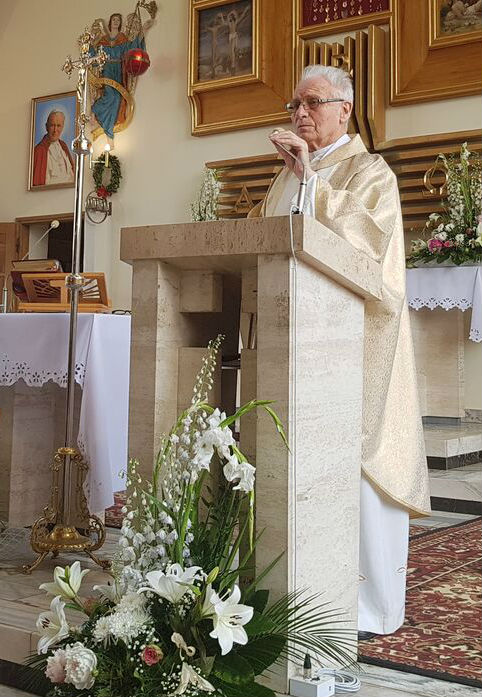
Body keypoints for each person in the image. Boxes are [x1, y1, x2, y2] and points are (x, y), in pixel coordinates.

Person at [250, 64, 431, 636]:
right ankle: (297, 590)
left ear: (344, 109)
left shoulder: (370, 172)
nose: (300, 113)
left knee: (353, 466)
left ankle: (364, 605)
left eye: (313, 102)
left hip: (351, 345)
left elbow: (371, 248)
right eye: (294, 104)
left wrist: (311, 181)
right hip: (290, 344)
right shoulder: (284, 177)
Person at [91, 13, 146, 140]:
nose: (116, 22)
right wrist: (88, 45)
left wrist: (143, 31)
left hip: (119, 70)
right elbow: (94, 56)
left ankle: (108, 126)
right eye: (114, 20)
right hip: (107, 69)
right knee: (111, 95)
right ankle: (96, 112)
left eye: (118, 20)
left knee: (118, 97)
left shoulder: (123, 39)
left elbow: (132, 48)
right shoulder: (103, 40)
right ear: (110, 22)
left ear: (120, 24)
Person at [32, 110, 74, 187]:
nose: (55, 130)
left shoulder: (63, 146)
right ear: (46, 127)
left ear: (62, 127)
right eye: (52, 125)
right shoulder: (39, 150)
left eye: (58, 126)